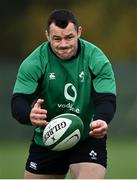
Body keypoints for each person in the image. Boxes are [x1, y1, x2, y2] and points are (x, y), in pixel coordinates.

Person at [11, 9, 116, 179]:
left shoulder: (96, 58)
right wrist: (28, 114)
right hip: (48, 138)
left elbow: (107, 99)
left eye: (69, 37)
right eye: (57, 39)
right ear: (47, 36)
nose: (64, 44)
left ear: (79, 32)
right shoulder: (34, 62)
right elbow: (18, 101)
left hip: (87, 135)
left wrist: (102, 119)